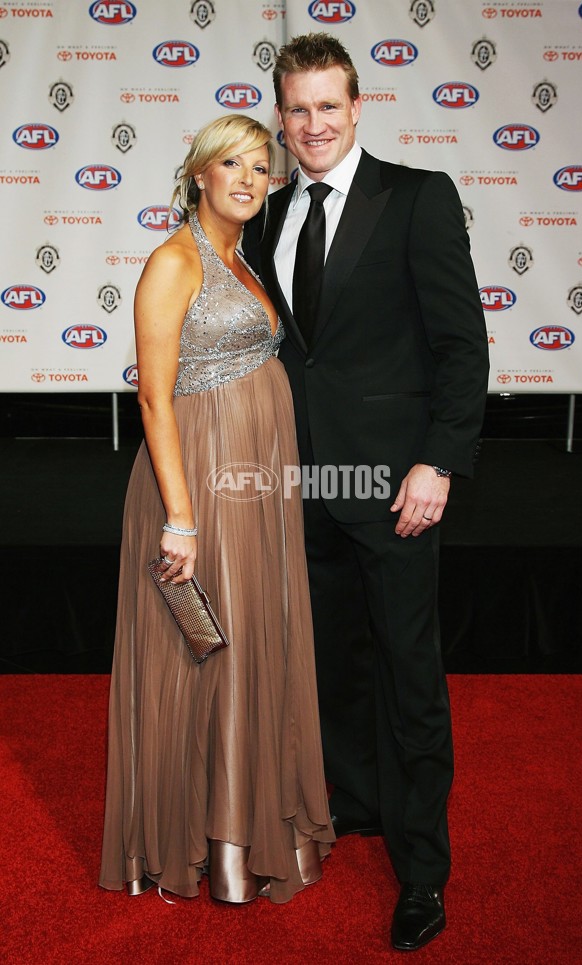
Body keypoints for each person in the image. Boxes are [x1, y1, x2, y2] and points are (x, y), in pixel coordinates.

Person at [242, 34, 489, 950]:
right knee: (333, 664)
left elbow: (462, 345)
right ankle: (357, 802)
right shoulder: (267, 215)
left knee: (410, 674)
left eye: (327, 106)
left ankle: (423, 869)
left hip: (396, 488)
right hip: (303, 484)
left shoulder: (418, 197)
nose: (313, 124)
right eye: (297, 109)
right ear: (281, 117)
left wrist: (439, 462)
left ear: (357, 107)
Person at [99, 114, 334, 905]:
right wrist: (181, 518)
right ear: (199, 173)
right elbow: (153, 398)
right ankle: (211, 840)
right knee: (209, 652)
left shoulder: (242, 256)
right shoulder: (174, 261)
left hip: (255, 482)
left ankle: (249, 821)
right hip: (198, 483)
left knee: (256, 635)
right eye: (231, 163)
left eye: (261, 167)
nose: (248, 179)